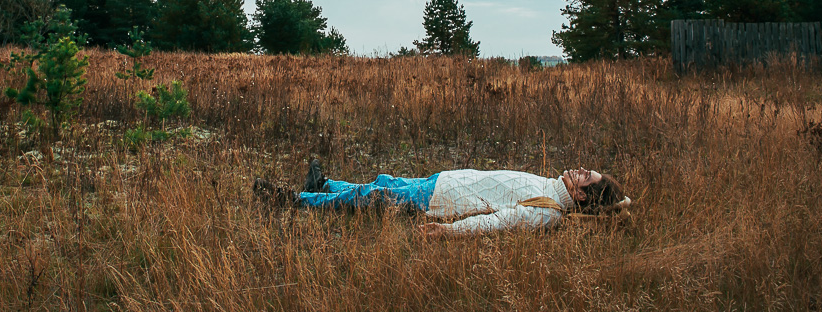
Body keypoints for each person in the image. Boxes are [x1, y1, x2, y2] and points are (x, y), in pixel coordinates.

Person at [253, 159, 631, 236]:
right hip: (447, 180)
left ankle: (296, 199)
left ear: (582, 196)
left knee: (374, 196)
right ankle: (326, 185)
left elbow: (498, 222)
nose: (578, 170)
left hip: (444, 198)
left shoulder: (547, 212)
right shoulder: (551, 186)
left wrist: (450, 232)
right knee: (385, 181)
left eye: (585, 176)